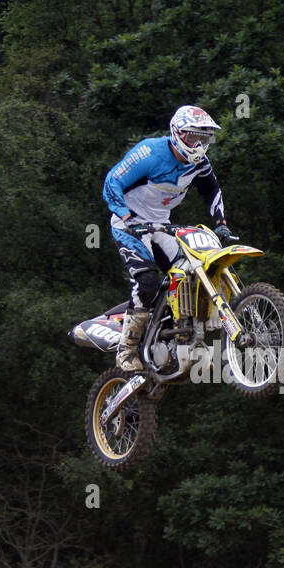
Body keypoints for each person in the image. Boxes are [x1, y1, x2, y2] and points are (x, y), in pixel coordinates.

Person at [102, 105, 239, 372]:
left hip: (161, 225)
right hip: (128, 224)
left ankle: (182, 337)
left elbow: (212, 190)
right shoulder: (150, 153)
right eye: (192, 137)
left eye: (204, 138)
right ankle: (127, 349)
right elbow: (111, 181)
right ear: (176, 133)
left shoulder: (200, 163)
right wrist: (125, 216)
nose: (198, 145)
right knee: (147, 279)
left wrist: (221, 223)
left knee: (190, 271)